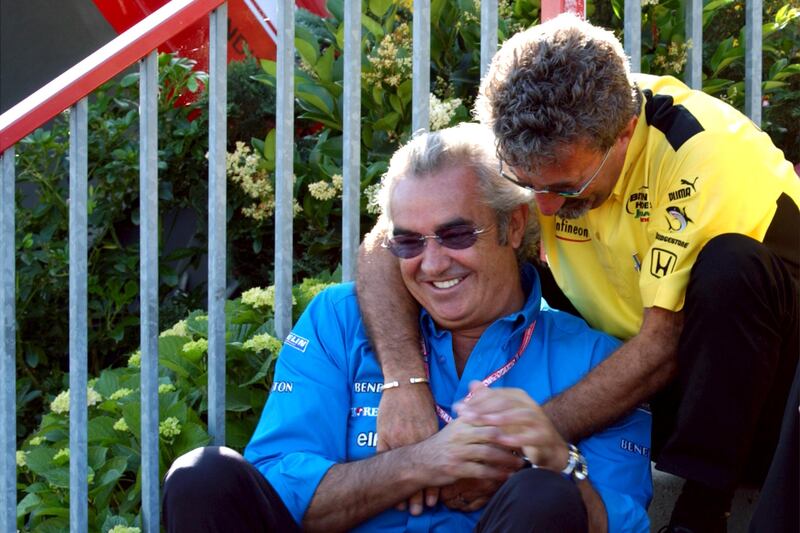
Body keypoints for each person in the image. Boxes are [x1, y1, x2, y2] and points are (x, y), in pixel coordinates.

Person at [356, 14, 800, 533]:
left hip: (772, 396)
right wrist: (403, 382)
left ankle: (700, 514)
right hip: (667, 386)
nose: (542, 205)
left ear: (625, 132)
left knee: (730, 268)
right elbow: (386, 245)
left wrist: (515, 446)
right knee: (472, 231)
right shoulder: (526, 140)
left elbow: (661, 345)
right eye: (525, 182)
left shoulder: (703, 154)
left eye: (565, 188)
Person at [161, 123, 653, 532]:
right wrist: (421, 462)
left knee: (545, 494)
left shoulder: (595, 360)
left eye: (456, 234)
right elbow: (277, 487)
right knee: (202, 477)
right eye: (409, 242)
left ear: (515, 225)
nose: (432, 264)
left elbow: (627, 523)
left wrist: (558, 461)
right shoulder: (339, 320)